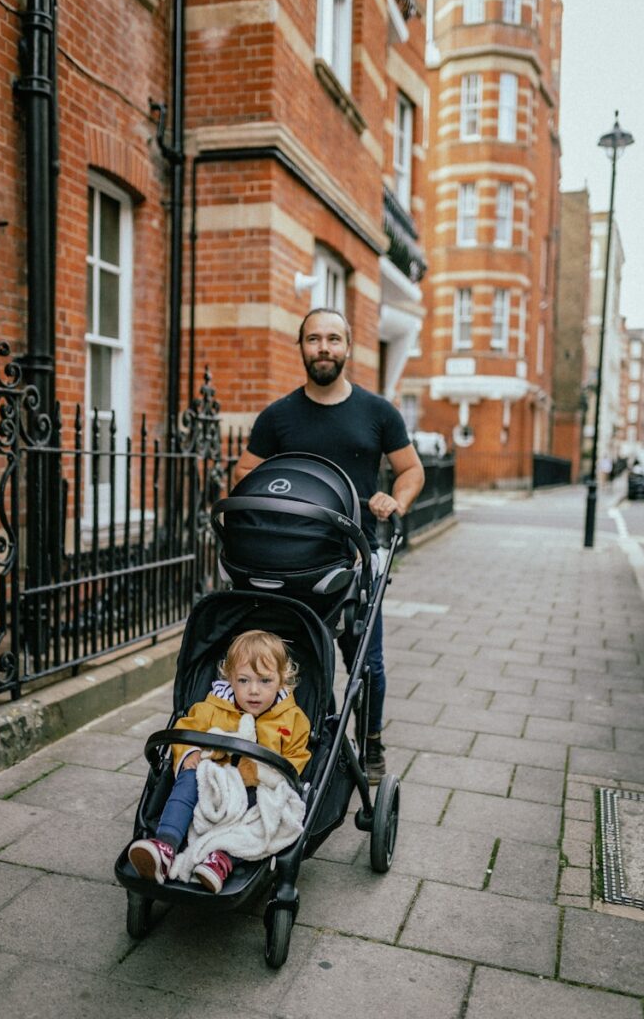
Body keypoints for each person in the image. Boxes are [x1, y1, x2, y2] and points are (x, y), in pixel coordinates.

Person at [233, 307, 424, 783]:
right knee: (299, 655)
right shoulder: (278, 416)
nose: (324, 348)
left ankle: (372, 743)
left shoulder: (378, 412)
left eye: (333, 339)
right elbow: (242, 473)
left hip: (356, 557)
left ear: (348, 347)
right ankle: (310, 736)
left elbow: (412, 470)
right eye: (314, 339)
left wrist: (393, 498)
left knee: (368, 663)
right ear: (300, 347)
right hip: (294, 560)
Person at [128, 629, 311, 892]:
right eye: (244, 681)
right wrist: (189, 753)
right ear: (230, 679)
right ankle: (165, 846)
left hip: (254, 793)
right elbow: (186, 730)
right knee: (190, 777)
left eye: (265, 681)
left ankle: (223, 858)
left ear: (283, 679)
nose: (254, 691)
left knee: (271, 809)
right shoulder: (211, 708)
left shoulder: (293, 719)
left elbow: (295, 762)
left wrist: (260, 773)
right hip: (212, 789)